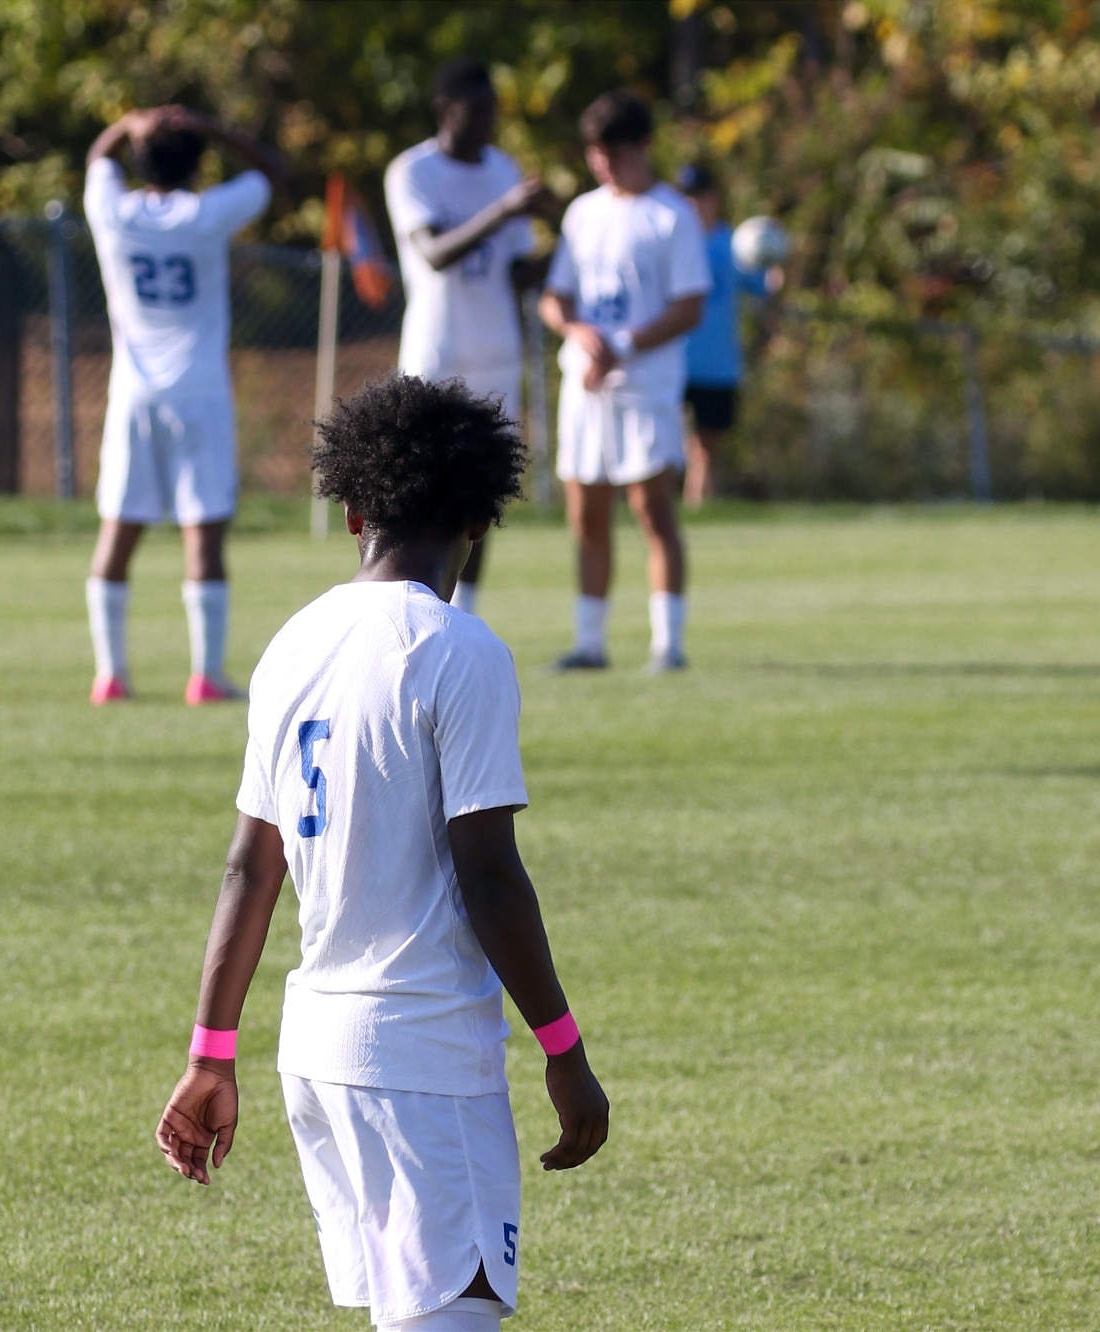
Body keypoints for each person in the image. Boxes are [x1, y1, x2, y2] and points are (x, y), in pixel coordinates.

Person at [156, 374, 609, 1332]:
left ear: (353, 508)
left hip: (315, 1047)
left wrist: (211, 1053)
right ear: (479, 523)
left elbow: (250, 864)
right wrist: (563, 1049)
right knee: (455, 1313)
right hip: (423, 1053)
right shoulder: (458, 649)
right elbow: (489, 873)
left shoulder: (292, 645)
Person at [81, 105, 284, 706]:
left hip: (134, 393)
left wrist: (128, 123)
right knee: (204, 531)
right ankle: (205, 674)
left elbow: (96, 158)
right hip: (200, 394)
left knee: (118, 528)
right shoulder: (206, 213)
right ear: (199, 163)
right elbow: (274, 172)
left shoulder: (113, 211)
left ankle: (110, 675)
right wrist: (215, 126)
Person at [539, 90, 710, 673]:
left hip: (645, 386)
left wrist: (623, 345)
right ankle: (590, 643)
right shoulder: (582, 212)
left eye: (614, 151)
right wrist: (578, 332)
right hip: (586, 387)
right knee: (585, 513)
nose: (603, 163)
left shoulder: (671, 215)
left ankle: (669, 643)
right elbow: (554, 299)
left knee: (652, 509)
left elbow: (690, 306)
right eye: (594, 152)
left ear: (643, 146)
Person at [384, 57, 556, 617]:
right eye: (476, 111)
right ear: (444, 110)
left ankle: (464, 616)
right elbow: (433, 254)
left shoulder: (502, 168)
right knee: (420, 488)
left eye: (493, 111)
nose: (488, 122)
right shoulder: (413, 171)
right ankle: (409, 606)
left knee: (481, 492)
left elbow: (513, 274)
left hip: (496, 351)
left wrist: (571, 238)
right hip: (436, 350)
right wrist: (503, 209)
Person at [675, 162, 782, 507]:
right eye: (686, 197)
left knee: (707, 446)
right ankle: (670, 510)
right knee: (668, 449)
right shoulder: (671, 244)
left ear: (713, 199)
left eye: (699, 197)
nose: (693, 205)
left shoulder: (734, 245)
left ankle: (700, 509)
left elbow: (764, 289)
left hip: (719, 365)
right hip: (674, 361)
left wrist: (779, 263)